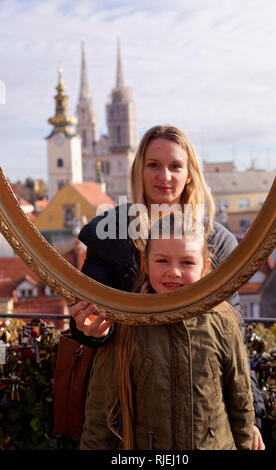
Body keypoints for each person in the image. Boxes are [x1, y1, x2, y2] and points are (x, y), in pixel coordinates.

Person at [69, 125, 265, 448]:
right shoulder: (110, 234)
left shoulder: (216, 241)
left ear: (189, 174)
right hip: (131, 412)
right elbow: (90, 317)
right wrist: (90, 329)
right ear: (140, 171)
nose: (165, 176)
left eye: (175, 166)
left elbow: (232, 336)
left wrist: (252, 417)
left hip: (201, 413)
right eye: (154, 165)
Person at [80, 213, 254, 450]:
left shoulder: (222, 322)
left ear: (205, 267)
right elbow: (100, 410)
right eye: (162, 261)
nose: (174, 272)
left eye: (187, 262)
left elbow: (240, 400)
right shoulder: (126, 324)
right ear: (145, 263)